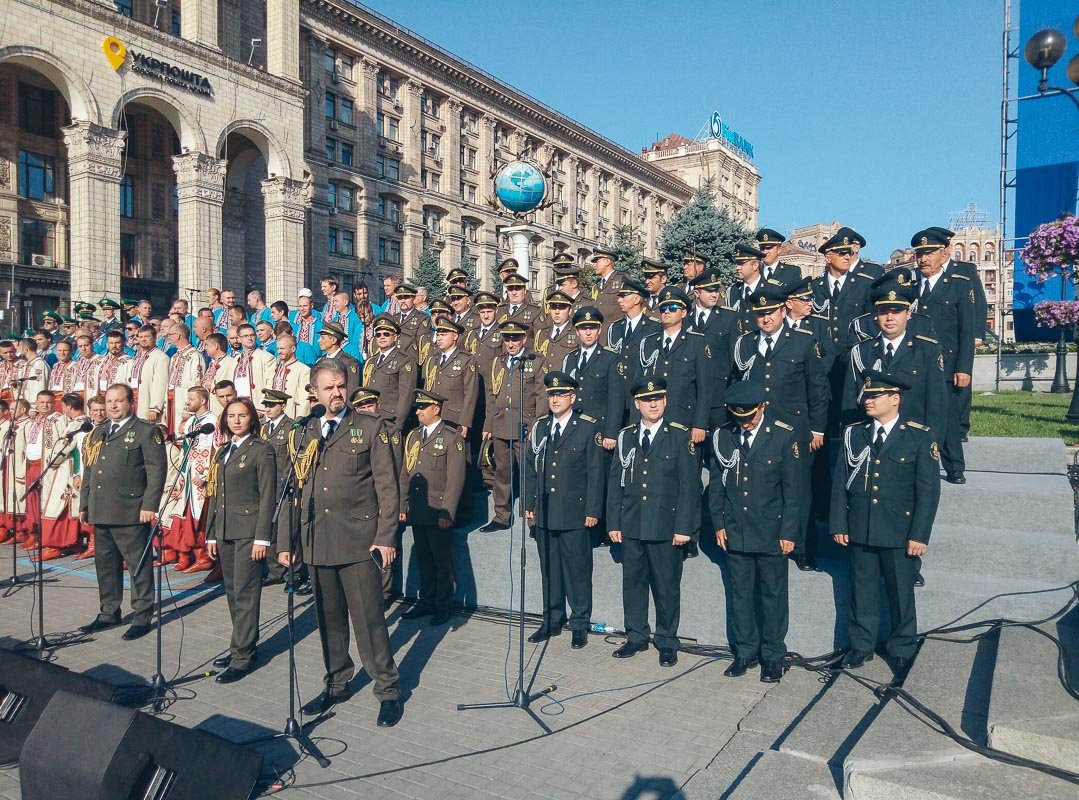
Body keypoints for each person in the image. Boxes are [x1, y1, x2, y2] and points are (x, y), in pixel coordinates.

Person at [278, 360, 403, 727]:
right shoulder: (303, 432)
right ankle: (337, 682)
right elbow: (292, 491)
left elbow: (387, 487)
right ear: (314, 392)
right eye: (328, 387)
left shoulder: (369, 427)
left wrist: (385, 538)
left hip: (359, 542)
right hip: (317, 540)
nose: (336, 393)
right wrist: (287, 541)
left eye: (341, 386)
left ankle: (388, 689)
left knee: (369, 621)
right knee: (329, 620)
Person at [831, 369, 940, 675]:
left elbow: (928, 491)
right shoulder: (855, 433)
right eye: (866, 395)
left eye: (875, 396)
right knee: (861, 591)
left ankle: (902, 648)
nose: (868, 400)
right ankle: (861, 646)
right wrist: (839, 523)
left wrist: (919, 534)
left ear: (895, 399)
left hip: (898, 530)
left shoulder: (919, 435)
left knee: (901, 593)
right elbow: (841, 481)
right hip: (861, 526)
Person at [709, 382, 803, 683]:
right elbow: (716, 485)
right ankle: (746, 651)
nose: (745, 422)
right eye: (739, 416)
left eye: (749, 415)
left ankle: (773, 656)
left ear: (762, 406)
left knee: (773, 597)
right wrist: (719, 524)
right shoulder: (723, 435)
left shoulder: (783, 436)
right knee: (741, 595)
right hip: (736, 529)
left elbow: (793, 492)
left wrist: (790, 532)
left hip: (772, 531)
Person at [607, 378, 699, 667]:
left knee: (666, 586)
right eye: (647, 400)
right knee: (633, 584)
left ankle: (667, 641)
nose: (653, 404)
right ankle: (636, 636)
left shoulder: (680, 437)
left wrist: (685, 528)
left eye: (658, 398)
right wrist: (613, 521)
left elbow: (689, 487)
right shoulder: (626, 437)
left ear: (665, 401)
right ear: (637, 404)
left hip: (666, 526)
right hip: (632, 523)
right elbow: (615, 483)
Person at [78, 384, 167, 641]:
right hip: (101, 509)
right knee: (105, 565)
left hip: (130, 510)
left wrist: (149, 505)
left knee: (138, 566)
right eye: (109, 401)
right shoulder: (99, 432)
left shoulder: (145, 432)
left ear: (131, 403)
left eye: (119, 401)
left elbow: (156, 471)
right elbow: (90, 471)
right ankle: (108, 612)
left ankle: (142, 616)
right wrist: (85, 504)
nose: (113, 406)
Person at [524, 372, 604, 648]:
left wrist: (593, 510)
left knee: (578, 571)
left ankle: (579, 623)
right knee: (550, 570)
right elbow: (531, 469)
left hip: (574, 513)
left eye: (561, 395)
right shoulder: (541, 427)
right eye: (551, 395)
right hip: (545, 513)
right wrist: (529, 505)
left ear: (573, 397)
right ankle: (551, 619)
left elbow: (596, 473)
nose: (555, 399)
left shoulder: (587, 427)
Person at [204, 398, 277, 683]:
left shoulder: (261, 450)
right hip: (225, 529)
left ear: (252, 419)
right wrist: (211, 532)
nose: (236, 420)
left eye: (242, 415)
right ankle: (242, 643)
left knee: (246, 592)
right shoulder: (223, 452)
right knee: (233, 592)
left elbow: (267, 495)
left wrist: (263, 538)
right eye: (231, 416)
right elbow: (216, 495)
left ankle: (243, 655)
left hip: (249, 531)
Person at [911, 228, 975, 484]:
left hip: (947, 366)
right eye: (919, 254)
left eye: (929, 253)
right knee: (915, 416)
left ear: (943, 253)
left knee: (947, 419)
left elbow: (966, 332)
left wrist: (964, 368)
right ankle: (916, 464)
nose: (924, 259)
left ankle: (954, 467)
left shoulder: (959, 285)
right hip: (915, 364)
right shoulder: (910, 286)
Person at [398, 389, 467, 626]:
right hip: (418, 508)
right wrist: (403, 504)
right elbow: (406, 473)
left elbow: (455, 480)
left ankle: (443, 604)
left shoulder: (451, 438)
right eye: (417, 407)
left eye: (422, 407)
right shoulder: (414, 436)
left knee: (441, 560)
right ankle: (426, 601)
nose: (417, 411)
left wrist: (447, 512)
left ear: (436, 409)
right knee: (424, 558)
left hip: (438, 510)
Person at [479, 320, 548, 532]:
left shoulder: (535, 361)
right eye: (507, 339)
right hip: (501, 425)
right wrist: (488, 424)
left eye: (515, 338)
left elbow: (542, 396)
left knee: (529, 473)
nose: (511, 343)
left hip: (525, 426)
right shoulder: (498, 362)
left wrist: (537, 426)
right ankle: (502, 515)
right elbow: (492, 395)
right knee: (502, 472)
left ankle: (534, 518)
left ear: (523, 339)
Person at [163, 386, 217, 574]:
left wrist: (204, 474)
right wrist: (181, 475)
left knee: (199, 515)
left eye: (191, 399)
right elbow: (187, 449)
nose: (188, 402)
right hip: (188, 472)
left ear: (203, 401)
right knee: (186, 514)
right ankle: (191, 554)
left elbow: (212, 450)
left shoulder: (211, 421)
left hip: (201, 476)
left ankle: (205, 557)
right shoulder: (191, 421)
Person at [362, 316, 417, 439]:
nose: (381, 337)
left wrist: (398, 424)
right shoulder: (371, 361)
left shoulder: (405, 360)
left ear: (395, 337)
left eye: (386, 334)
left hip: (390, 420)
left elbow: (406, 395)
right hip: (370, 418)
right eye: (378, 334)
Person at [424, 318, 478, 437]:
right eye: (438, 334)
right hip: (433, 417)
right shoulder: (432, 359)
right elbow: (427, 390)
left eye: (443, 334)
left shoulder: (466, 360)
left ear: (455, 336)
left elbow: (470, 393)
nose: (439, 338)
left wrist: (465, 422)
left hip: (455, 419)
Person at [129, 325, 169, 422]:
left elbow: (160, 384)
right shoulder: (137, 357)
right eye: (141, 337)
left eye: (147, 336)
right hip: (134, 401)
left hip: (147, 403)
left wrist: (154, 407)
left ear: (155, 338)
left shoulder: (160, 357)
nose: (143, 340)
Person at [498, 273, 540, 346]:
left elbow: (538, 339)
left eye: (517, 289)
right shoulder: (499, 310)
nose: (514, 293)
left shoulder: (535, 311)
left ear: (525, 291)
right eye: (510, 289)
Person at [589, 248, 624, 334]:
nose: (594, 265)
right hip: (599, 334)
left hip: (616, 333)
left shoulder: (622, 279)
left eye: (597, 261)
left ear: (608, 262)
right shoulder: (596, 287)